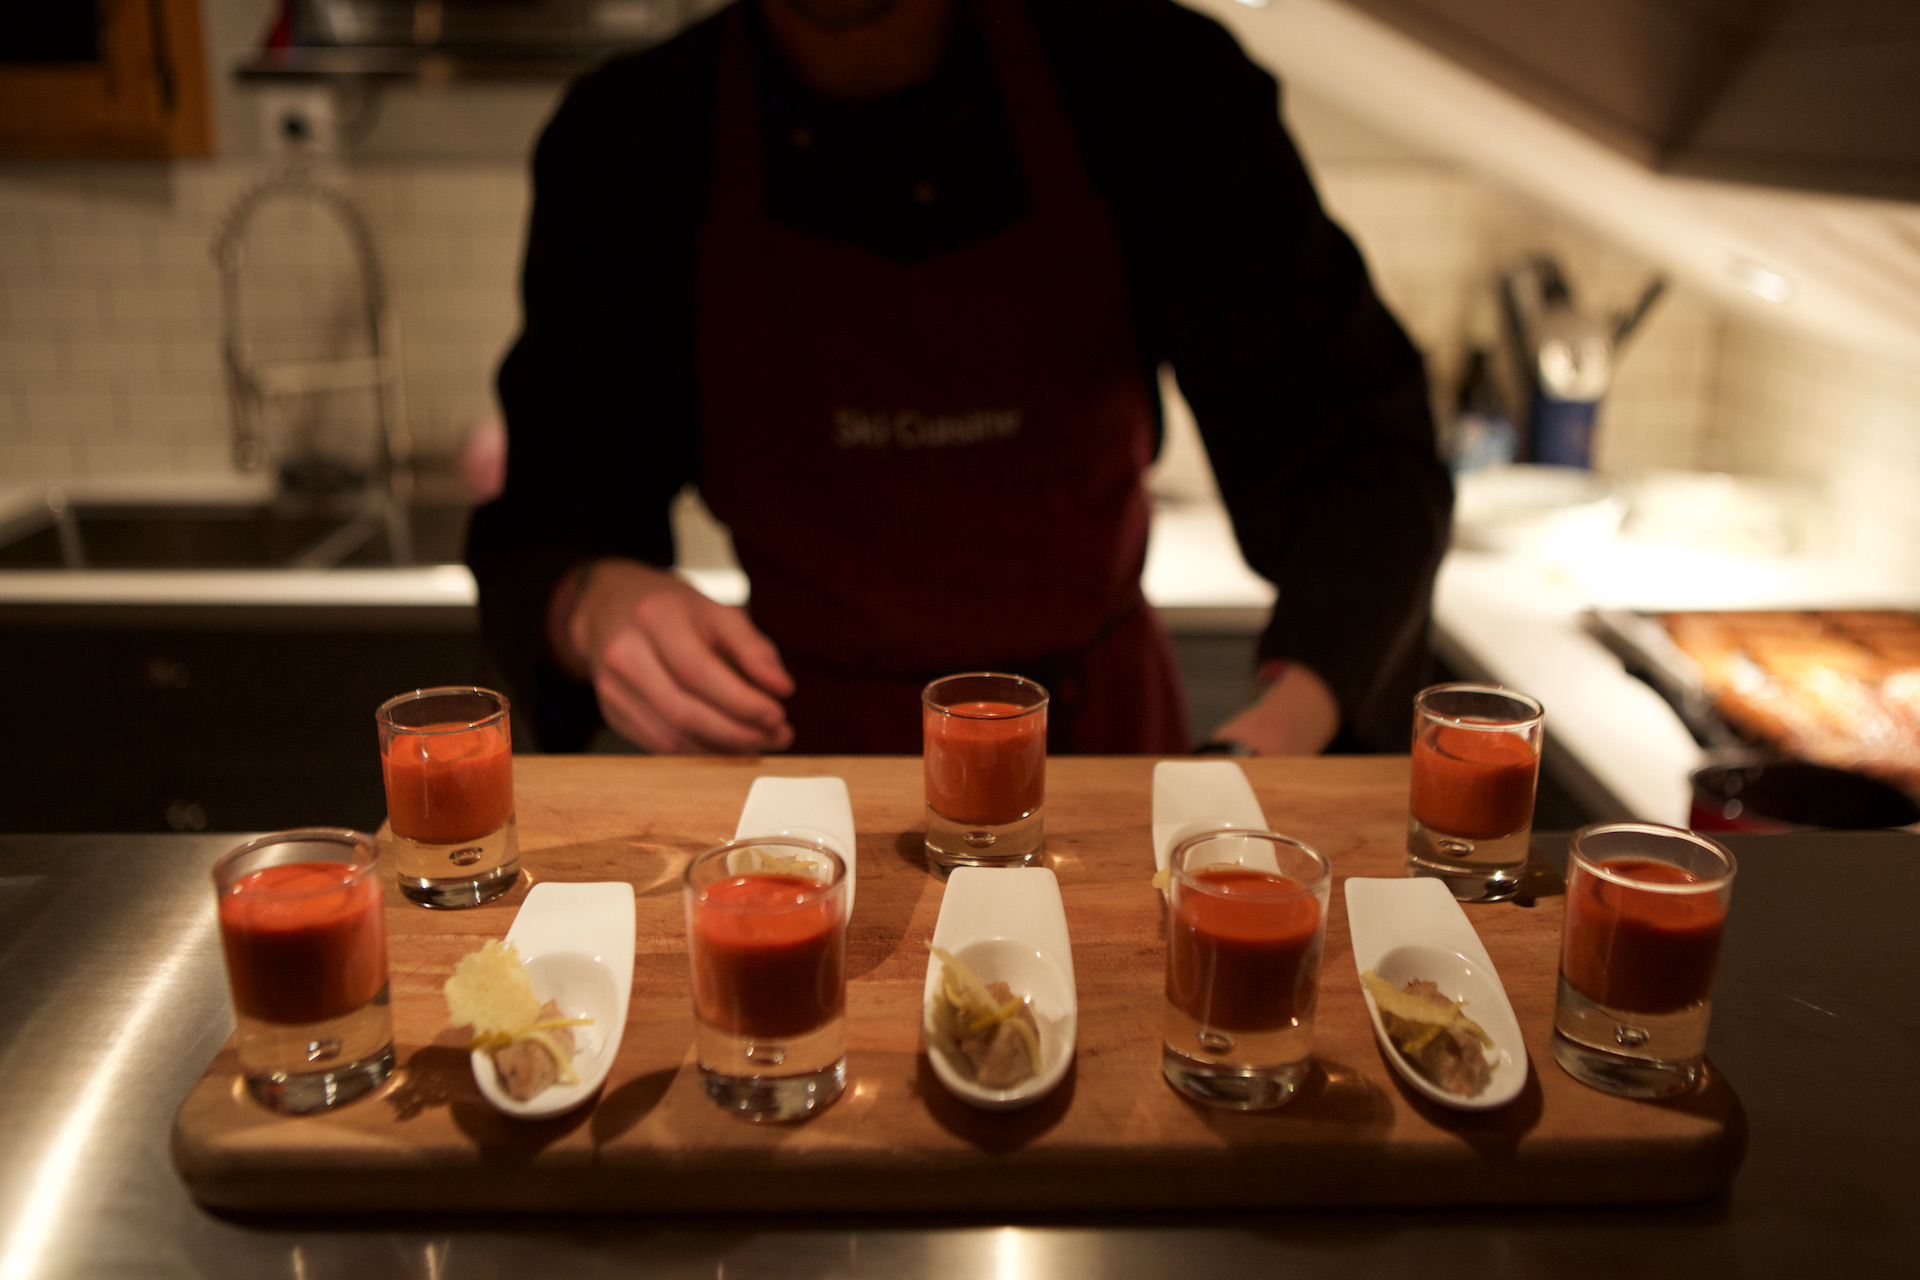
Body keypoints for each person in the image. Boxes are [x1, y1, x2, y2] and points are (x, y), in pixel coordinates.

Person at [466, 0, 1451, 757]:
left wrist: (1281, 732)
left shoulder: (1153, 82)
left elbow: (1365, 463)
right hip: (806, 767)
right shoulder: (631, 139)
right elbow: (553, 518)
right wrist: (592, 602)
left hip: (1098, 752)